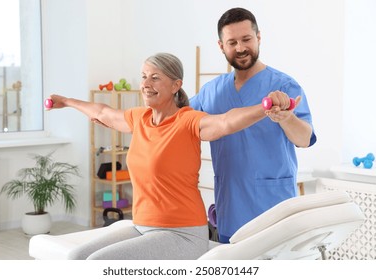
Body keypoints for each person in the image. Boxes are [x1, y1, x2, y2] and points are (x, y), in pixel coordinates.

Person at [47, 52, 293, 259]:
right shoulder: (139, 119)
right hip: (142, 226)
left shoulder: (187, 121)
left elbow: (227, 122)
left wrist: (265, 107)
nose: (146, 83)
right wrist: (67, 101)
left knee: (97, 263)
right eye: (144, 76)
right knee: (76, 258)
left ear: (176, 85)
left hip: (182, 233)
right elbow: (103, 111)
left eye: (155, 78)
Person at [190, 7, 317, 243]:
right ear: (221, 46)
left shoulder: (284, 85)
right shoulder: (211, 91)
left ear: (258, 37)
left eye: (246, 39)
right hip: (231, 208)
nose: (240, 48)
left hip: (273, 207)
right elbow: (180, 122)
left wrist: (287, 118)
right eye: (232, 42)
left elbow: (304, 138)